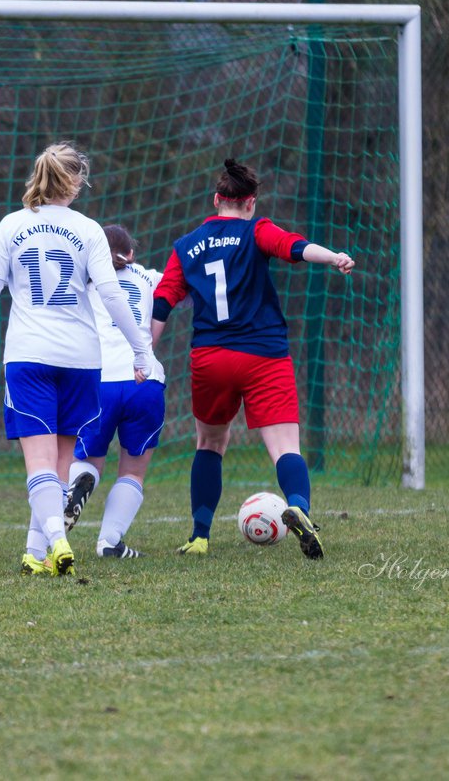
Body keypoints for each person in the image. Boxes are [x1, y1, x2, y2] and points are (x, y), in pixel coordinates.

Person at [0, 142, 156, 578]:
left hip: (30, 356)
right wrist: (141, 351)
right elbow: (111, 293)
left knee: (38, 464)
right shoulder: (87, 229)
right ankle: (37, 553)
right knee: (60, 463)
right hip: (82, 360)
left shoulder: (12, 225)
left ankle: (58, 540)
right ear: (77, 182)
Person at [150, 158, 354, 559]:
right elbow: (293, 246)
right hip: (264, 355)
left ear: (216, 200)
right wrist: (332, 257)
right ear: (250, 203)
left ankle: (199, 536)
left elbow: (164, 300)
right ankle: (300, 506)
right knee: (284, 446)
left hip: (211, 358)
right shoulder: (256, 230)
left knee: (209, 442)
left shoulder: (186, 245)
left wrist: (145, 353)